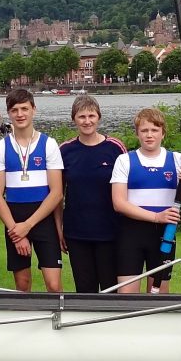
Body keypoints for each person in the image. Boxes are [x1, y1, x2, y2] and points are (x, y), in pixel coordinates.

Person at [110, 107, 181, 294]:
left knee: (159, 293)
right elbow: (119, 203)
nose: (149, 135)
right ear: (137, 134)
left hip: (164, 234)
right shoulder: (125, 160)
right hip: (131, 233)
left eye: (154, 130)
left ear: (163, 133)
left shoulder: (178, 160)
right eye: (144, 130)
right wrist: (156, 217)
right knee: (126, 294)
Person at [0, 88, 64, 292]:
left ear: (33, 110)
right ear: (8, 113)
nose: (20, 114)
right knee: (22, 285)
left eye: (24, 109)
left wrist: (28, 225)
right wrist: (17, 231)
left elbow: (56, 192)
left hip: (43, 220)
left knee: (54, 285)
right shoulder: (0, 148)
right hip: (14, 222)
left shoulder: (49, 144)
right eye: (14, 110)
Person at [56, 95, 126, 293]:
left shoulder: (115, 148)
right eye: (81, 116)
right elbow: (58, 195)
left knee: (111, 291)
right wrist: (59, 228)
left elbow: (127, 191)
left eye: (91, 116)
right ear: (74, 119)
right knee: (85, 291)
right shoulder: (65, 150)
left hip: (110, 232)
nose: (87, 121)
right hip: (77, 233)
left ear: (99, 117)